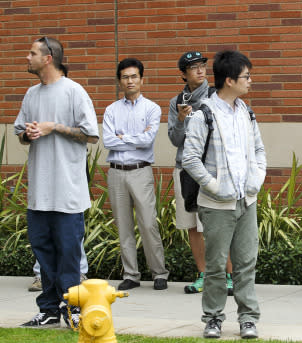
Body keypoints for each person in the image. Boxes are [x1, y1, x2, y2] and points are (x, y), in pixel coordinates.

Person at [15, 36, 99, 328]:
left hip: (68, 191)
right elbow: (21, 135)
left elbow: (90, 134)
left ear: (48, 58)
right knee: (43, 250)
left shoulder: (74, 92)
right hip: (40, 191)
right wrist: (29, 133)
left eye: (32, 52)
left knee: (68, 252)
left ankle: (74, 308)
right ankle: (50, 309)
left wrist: (54, 127)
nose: (27, 57)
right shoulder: (31, 94)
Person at [182, 50, 266, 339]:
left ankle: (248, 319)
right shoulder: (203, 114)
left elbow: (258, 150)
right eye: (246, 77)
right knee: (217, 266)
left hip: (247, 200)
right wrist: (215, 187)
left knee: (246, 263)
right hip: (216, 205)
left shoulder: (246, 111)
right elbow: (190, 158)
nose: (250, 81)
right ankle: (214, 318)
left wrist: (256, 180)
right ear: (229, 80)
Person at [168, 51, 233, 296]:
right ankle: (203, 275)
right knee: (192, 225)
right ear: (183, 74)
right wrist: (182, 121)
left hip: (211, 169)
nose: (200, 70)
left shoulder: (216, 95)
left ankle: (227, 276)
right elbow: (175, 139)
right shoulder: (178, 101)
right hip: (185, 169)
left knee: (217, 224)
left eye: (202, 66)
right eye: (193, 67)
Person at [103, 58, 169, 291]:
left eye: (134, 76)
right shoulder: (111, 110)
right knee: (123, 225)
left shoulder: (151, 108)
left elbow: (147, 140)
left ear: (142, 79)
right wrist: (132, 139)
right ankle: (131, 274)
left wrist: (122, 138)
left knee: (148, 224)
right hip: (116, 173)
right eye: (125, 77)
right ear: (119, 80)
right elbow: (108, 140)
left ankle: (159, 273)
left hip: (141, 172)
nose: (129, 81)